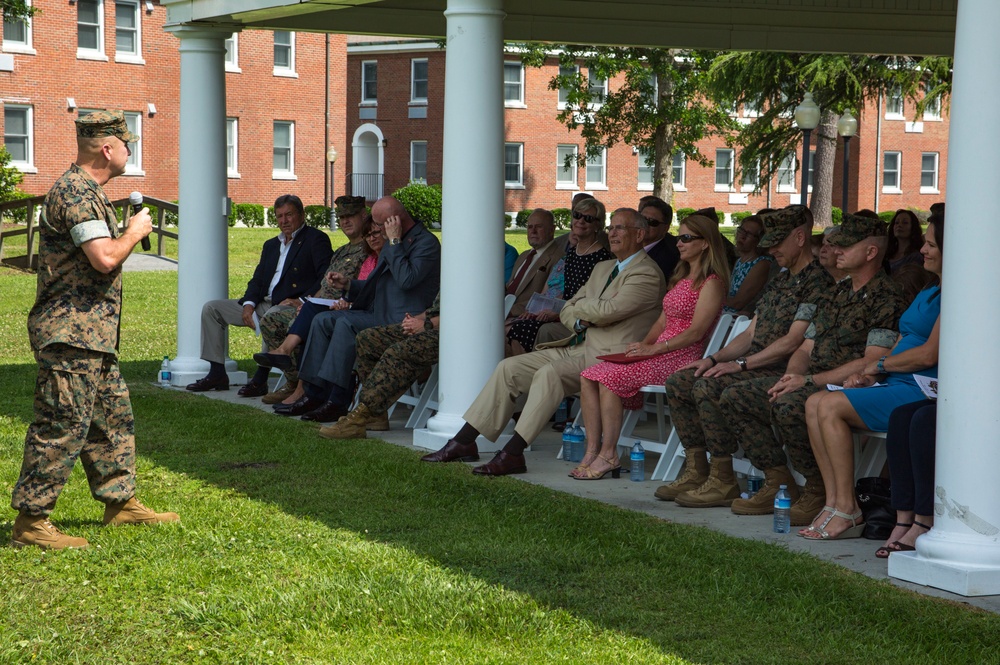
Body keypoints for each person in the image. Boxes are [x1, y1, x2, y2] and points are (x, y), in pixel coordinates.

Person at [10, 110, 177, 550]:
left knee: (111, 419)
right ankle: (32, 521)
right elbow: (104, 258)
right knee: (62, 423)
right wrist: (136, 229)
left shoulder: (89, 192)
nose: (130, 150)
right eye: (127, 144)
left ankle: (120, 503)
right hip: (71, 333)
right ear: (107, 148)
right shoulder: (77, 193)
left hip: (92, 334)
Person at [420, 208, 666, 476]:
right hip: (578, 346)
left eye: (620, 228)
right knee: (509, 368)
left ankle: (513, 453)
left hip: (608, 358)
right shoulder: (603, 268)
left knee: (550, 374)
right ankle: (464, 442)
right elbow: (567, 308)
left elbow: (609, 312)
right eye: (611, 227)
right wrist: (583, 315)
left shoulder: (647, 273)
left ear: (640, 234)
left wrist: (582, 309)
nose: (613, 233)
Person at [718, 212, 907, 523]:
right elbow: (805, 346)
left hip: (846, 387)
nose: (835, 251)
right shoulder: (837, 291)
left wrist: (807, 381)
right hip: (812, 379)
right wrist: (794, 375)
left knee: (790, 404)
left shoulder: (887, 297)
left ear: (871, 252)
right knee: (736, 396)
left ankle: (817, 488)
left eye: (846, 246)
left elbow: (871, 361)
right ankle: (778, 481)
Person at [658, 205, 833, 506]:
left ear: (800, 238)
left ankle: (751, 478)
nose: (772, 249)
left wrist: (739, 365)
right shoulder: (781, 279)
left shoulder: (817, 281)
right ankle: (700, 469)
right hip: (754, 364)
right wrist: (713, 359)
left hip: (780, 369)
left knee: (712, 387)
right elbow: (750, 333)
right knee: (682, 380)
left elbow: (793, 341)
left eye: (779, 242)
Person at [801, 209, 943, 540]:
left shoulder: (955, 296)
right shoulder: (930, 289)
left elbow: (928, 354)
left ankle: (849, 508)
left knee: (830, 405)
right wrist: (873, 376)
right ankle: (835, 501)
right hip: (895, 380)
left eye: (932, 245)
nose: (922, 249)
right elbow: (902, 340)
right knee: (815, 403)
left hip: (921, 387)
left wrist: (878, 366)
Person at [572, 211, 729, 480]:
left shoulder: (712, 283)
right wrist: (640, 347)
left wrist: (655, 349)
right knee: (589, 375)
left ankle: (609, 454)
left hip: (682, 357)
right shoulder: (682, 278)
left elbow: (697, 332)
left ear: (705, 243)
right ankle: (592, 450)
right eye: (679, 238)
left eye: (686, 238)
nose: (678, 243)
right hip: (661, 352)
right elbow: (661, 321)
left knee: (608, 377)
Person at [263, 196, 441, 423]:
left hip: (402, 318)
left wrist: (394, 243)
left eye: (379, 224)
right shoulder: (392, 243)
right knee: (323, 320)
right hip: (376, 311)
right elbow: (375, 284)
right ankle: (313, 392)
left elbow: (407, 280)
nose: (375, 229)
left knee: (345, 324)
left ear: (394, 220)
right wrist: (348, 284)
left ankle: (337, 400)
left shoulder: (425, 243)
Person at [185, 194, 333, 392]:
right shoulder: (271, 245)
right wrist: (249, 304)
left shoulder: (315, 239)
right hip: (264, 302)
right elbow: (258, 280)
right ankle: (217, 373)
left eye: (289, 215)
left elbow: (324, 276)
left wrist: (302, 300)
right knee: (212, 308)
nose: (284, 221)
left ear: (301, 214)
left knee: (271, 316)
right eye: (279, 216)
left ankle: (260, 379)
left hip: (289, 306)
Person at [254, 195, 369, 403]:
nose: (345, 221)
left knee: (304, 323)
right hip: (317, 306)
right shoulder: (342, 251)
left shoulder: (369, 250)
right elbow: (324, 285)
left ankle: (304, 387)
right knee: (271, 320)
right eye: (342, 217)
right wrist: (305, 302)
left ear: (363, 216)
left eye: (351, 216)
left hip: (341, 310)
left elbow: (363, 289)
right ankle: (293, 381)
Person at [318, 292, 442, 439]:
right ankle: (377, 415)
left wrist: (428, 324)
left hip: (450, 334)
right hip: (431, 326)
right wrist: (414, 321)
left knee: (397, 352)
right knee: (368, 339)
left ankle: (362, 415)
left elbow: (464, 315)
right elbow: (436, 310)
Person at [506, 198, 612, 355]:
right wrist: (538, 309)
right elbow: (563, 291)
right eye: (577, 216)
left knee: (521, 330)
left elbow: (592, 299)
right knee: (518, 327)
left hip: (576, 318)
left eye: (588, 218)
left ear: (598, 225)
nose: (580, 221)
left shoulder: (602, 258)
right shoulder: (571, 254)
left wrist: (558, 312)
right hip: (560, 312)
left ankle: (526, 374)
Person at [504, 208, 562, 322]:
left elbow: (546, 298)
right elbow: (509, 287)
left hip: (523, 316)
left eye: (539, 227)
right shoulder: (524, 256)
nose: (533, 231)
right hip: (504, 309)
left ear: (552, 229)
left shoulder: (559, 259)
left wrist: (507, 310)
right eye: (530, 227)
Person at [724, 214, 775, 315]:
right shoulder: (740, 260)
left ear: (759, 240)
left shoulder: (761, 263)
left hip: (736, 319)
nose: (742, 236)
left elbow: (738, 302)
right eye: (741, 231)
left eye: (749, 234)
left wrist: (711, 299)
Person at [637, 195, 680, 279]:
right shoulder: (628, 246)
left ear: (665, 228)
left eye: (652, 222)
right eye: (642, 219)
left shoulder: (668, 260)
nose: (645, 224)